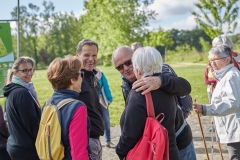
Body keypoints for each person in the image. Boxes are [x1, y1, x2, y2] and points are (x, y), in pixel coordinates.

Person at [112, 46, 196, 160]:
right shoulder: (126, 84)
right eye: (120, 67)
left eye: (128, 62)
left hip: (179, 142)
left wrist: (161, 81)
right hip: (155, 147)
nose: (126, 68)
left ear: (136, 58)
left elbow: (185, 87)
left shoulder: (161, 70)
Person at [193, 44, 240, 160]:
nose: (212, 63)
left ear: (227, 59)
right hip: (232, 129)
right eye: (210, 60)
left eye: (215, 59)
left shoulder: (231, 76)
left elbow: (232, 103)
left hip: (236, 130)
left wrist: (206, 109)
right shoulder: (225, 76)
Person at [46, 55, 92, 160]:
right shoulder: (76, 108)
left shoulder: (48, 102)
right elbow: (78, 152)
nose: (82, 78)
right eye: (81, 74)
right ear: (72, 79)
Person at [3, 56, 41, 160]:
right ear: (15, 73)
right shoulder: (22, 93)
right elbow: (32, 124)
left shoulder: (13, 91)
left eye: (30, 70)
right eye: (25, 70)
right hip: (26, 150)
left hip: (16, 145)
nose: (29, 73)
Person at [76, 39, 104, 160]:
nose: (91, 59)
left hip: (95, 139)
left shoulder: (91, 75)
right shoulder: (75, 80)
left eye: (94, 55)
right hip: (86, 141)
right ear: (77, 55)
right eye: (86, 55)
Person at [95, 68, 115, 148]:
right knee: (95, 122)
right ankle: (97, 141)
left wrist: (109, 98)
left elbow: (106, 86)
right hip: (92, 102)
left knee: (106, 121)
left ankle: (108, 141)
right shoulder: (86, 75)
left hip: (102, 101)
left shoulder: (101, 74)